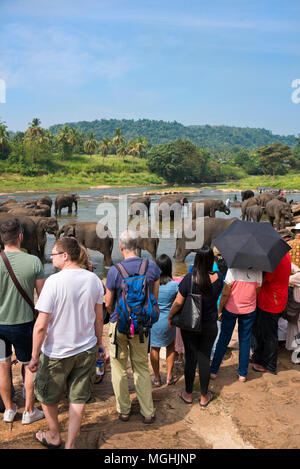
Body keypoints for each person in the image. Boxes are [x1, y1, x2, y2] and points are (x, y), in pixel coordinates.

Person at [28, 237, 105, 449]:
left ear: (65, 256)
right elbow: (99, 319)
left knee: (46, 394)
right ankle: (70, 444)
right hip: (86, 348)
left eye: (53, 254)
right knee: (78, 398)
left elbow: (41, 326)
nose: (50, 258)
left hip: (56, 352)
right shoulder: (94, 280)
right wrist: (100, 344)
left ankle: (54, 435)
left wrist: (34, 356)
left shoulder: (53, 282)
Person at [105, 230, 160, 424]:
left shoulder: (114, 270)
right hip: (142, 327)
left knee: (119, 368)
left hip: (119, 325)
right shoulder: (151, 267)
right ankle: (147, 412)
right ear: (137, 246)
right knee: (142, 368)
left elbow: (108, 301)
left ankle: (124, 410)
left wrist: (116, 315)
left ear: (121, 248)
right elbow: (155, 297)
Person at [0, 218, 45, 424]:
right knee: (29, 365)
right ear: (20, 237)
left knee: (2, 365)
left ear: (2, 239)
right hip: (24, 324)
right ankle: (29, 411)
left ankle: (9, 409)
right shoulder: (34, 262)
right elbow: (42, 298)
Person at [168, 246, 223, 407]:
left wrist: (171, 316)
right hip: (210, 325)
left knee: (190, 359)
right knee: (205, 359)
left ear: (197, 260)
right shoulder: (218, 278)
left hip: (190, 325)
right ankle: (205, 396)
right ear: (211, 261)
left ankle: (188, 393)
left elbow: (178, 302)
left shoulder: (189, 279)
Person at [210, 267, 262, 382]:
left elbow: (225, 293)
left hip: (231, 308)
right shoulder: (258, 271)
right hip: (249, 309)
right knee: (245, 340)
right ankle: (242, 374)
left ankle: (213, 370)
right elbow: (258, 289)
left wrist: (220, 309)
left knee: (224, 338)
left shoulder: (233, 269)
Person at [251, 252, 291, 374]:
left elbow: (263, 280)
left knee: (269, 334)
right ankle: (259, 356)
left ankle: (269, 364)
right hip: (277, 298)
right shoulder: (285, 254)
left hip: (271, 301)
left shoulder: (275, 260)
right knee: (263, 331)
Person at [150, 254, 179, 386]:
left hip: (154, 321)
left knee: (154, 348)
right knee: (170, 347)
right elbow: (179, 302)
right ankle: (169, 377)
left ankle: (156, 378)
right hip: (169, 321)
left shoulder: (151, 284)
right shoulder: (174, 285)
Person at [284, 263, 300, 363]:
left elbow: (286, 279)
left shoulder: (298, 277)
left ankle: (296, 358)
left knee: (296, 333)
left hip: (297, 310)